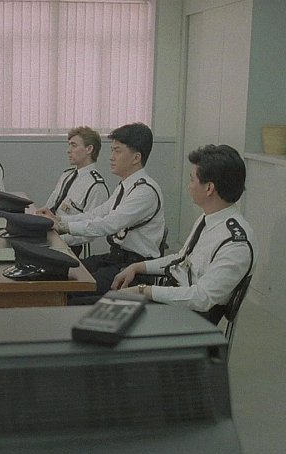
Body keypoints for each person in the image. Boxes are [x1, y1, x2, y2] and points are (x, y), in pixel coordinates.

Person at [111, 144, 256, 324]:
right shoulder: (209, 218)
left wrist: (143, 290)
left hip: (188, 320)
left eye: (192, 180)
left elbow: (201, 298)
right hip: (172, 304)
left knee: (100, 316)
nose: (189, 186)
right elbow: (181, 258)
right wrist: (137, 267)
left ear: (209, 188)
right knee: (97, 307)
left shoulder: (236, 243)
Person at [37, 122, 165, 298]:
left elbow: (108, 224)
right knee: (63, 273)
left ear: (136, 158)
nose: (111, 157)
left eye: (117, 151)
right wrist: (59, 220)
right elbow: (96, 214)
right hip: (115, 258)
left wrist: (63, 227)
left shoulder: (145, 191)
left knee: (73, 291)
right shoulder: (125, 186)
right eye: (111, 150)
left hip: (134, 268)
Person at [36, 126, 109, 256]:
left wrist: (57, 241)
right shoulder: (67, 175)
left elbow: (90, 232)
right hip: (48, 233)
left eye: (74, 145)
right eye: (69, 145)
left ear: (89, 149)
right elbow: (50, 205)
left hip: (68, 245)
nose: (68, 150)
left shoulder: (96, 186)